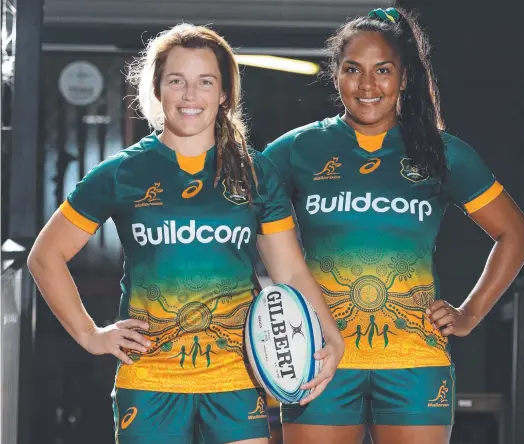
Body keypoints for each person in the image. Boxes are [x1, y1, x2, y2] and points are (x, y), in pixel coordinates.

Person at [27, 23, 344, 444]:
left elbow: (291, 273)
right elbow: (44, 257)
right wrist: (90, 334)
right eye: (177, 81)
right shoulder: (124, 172)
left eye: (205, 82)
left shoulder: (255, 172)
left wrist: (332, 336)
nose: (190, 95)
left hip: (237, 373)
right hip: (151, 377)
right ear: (158, 90)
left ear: (224, 93)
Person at [264, 7, 524, 444]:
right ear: (336, 76)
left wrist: (469, 313)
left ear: (404, 78)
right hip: (319, 356)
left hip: (414, 360)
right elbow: (234, 216)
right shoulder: (299, 149)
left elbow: (516, 233)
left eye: (383, 70)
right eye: (353, 69)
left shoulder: (440, 152)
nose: (368, 85)